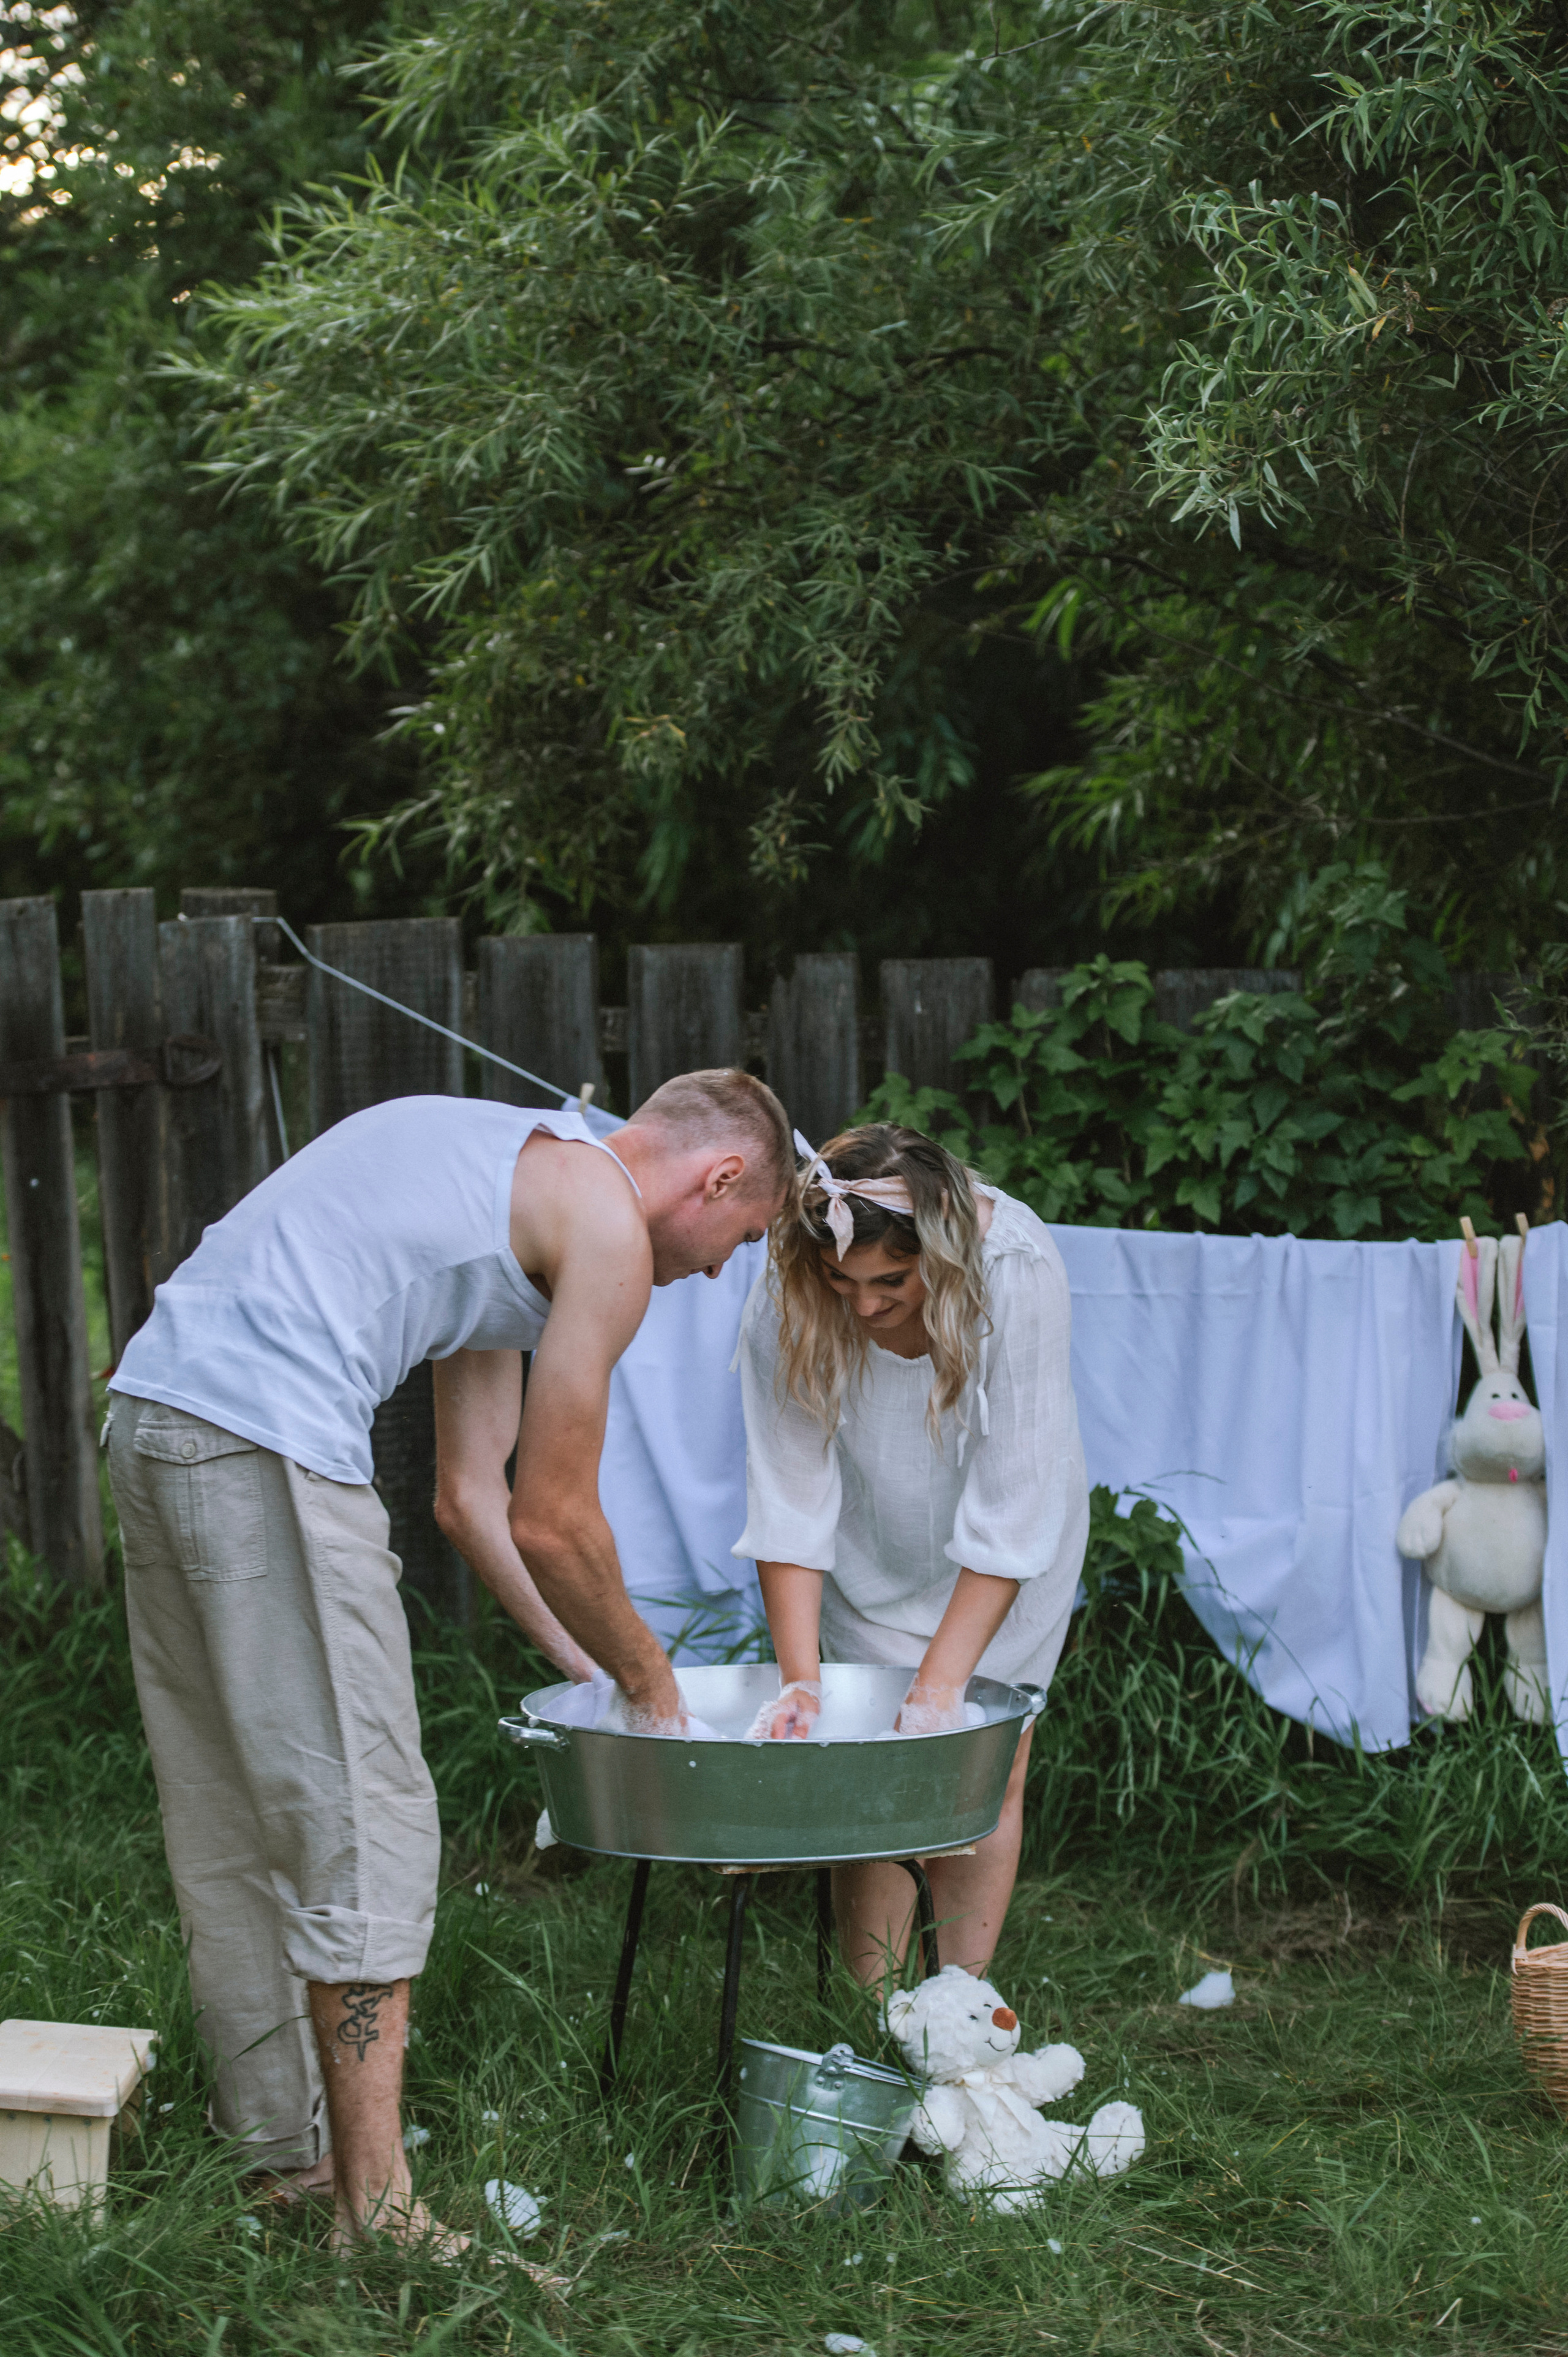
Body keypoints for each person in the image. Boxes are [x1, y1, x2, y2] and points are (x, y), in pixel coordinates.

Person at [107, 1068, 790, 2250]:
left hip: (158, 1415)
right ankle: (378, 2210)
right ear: (719, 1176)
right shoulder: (610, 1226)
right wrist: (652, 1681)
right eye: (745, 1236)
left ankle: (283, 2162)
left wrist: (590, 1671)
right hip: (265, 1436)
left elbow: (473, 1501)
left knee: (235, 1817)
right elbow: (556, 1518)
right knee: (367, 1818)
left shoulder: (519, 1182)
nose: (725, 1267)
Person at [733, 1122, 1088, 1985]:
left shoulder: (1016, 1272)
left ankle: (955, 2014)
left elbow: (1012, 1510)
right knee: (878, 1779)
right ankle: (871, 2006)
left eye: (890, 1281)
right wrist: (801, 1680)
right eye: (842, 1282)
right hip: (866, 1547)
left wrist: (939, 1696)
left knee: (983, 1770)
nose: (862, 1306)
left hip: (1005, 1559)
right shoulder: (787, 1294)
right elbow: (788, 1498)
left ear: (943, 1256)